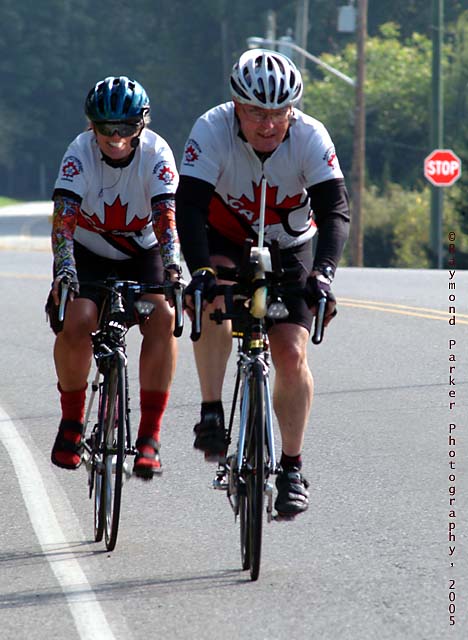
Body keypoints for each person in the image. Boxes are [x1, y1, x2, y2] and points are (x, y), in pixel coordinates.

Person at [175, 49, 350, 517]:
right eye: (256, 112)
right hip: (224, 237)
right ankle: (212, 410)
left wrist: (324, 274)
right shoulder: (210, 130)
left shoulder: (311, 136)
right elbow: (188, 207)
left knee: (290, 353)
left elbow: (335, 212)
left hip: (291, 245)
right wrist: (200, 271)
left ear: (293, 109)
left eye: (278, 112)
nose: (268, 124)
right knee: (212, 299)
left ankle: (291, 467)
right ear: (236, 106)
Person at [47, 75, 181, 480]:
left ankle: (149, 436)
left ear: (142, 125)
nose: (116, 137)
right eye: (106, 127)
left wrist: (173, 269)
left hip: (142, 252)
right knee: (79, 319)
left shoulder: (157, 153)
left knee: (162, 316)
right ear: (92, 126)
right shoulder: (79, 152)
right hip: (87, 251)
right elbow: (63, 223)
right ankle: (72, 422)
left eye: (126, 126)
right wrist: (65, 270)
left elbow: (166, 221)